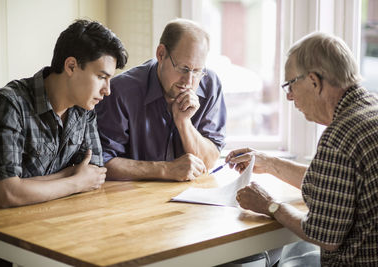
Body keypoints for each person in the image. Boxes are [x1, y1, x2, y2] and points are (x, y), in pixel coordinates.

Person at [226, 32, 378, 266]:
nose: (288, 96)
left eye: (290, 84)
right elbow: (336, 185)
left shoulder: (340, 136)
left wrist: (269, 205)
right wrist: (269, 163)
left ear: (314, 81)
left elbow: (323, 235)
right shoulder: (370, 109)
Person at [0, 19, 128, 208]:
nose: (107, 90)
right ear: (71, 66)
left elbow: (95, 174)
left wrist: (27, 185)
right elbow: (5, 192)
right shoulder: (10, 104)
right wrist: (74, 180)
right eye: (101, 77)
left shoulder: (84, 108)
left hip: (55, 221)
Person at [95, 18, 226, 181]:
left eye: (197, 71)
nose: (189, 81)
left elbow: (209, 161)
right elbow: (102, 163)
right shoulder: (120, 91)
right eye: (183, 68)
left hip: (193, 197)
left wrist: (184, 124)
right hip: (133, 198)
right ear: (161, 54)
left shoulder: (210, 85)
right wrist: (165, 169)